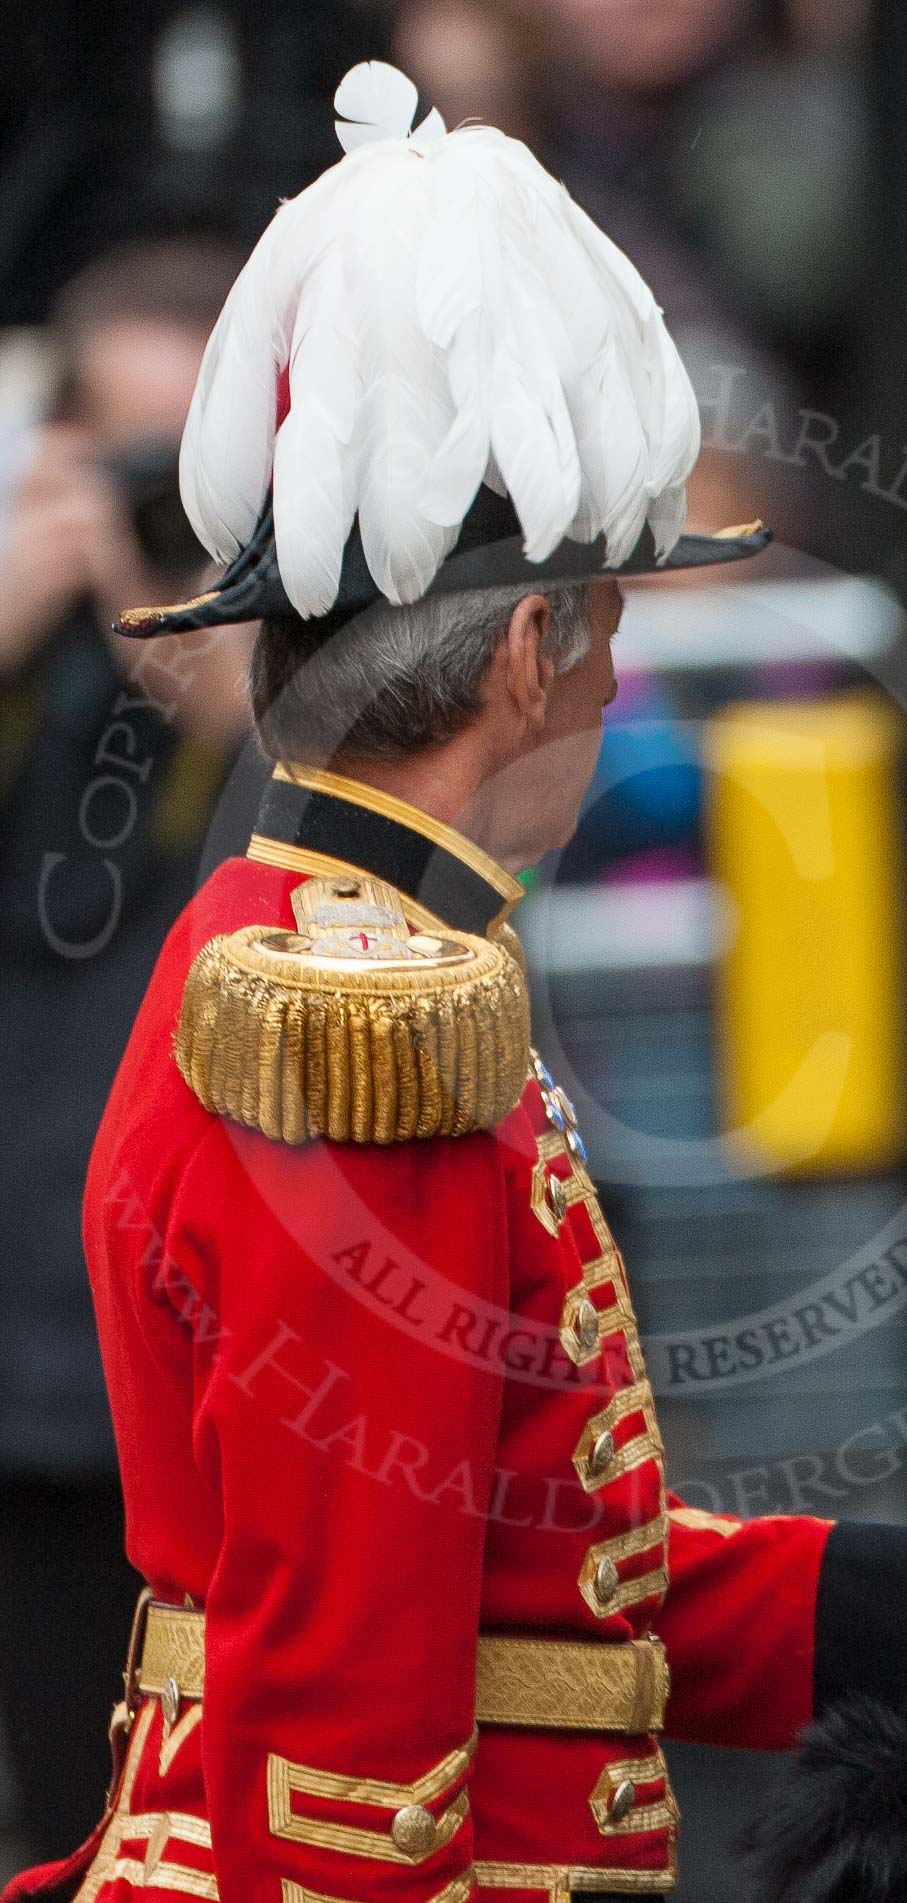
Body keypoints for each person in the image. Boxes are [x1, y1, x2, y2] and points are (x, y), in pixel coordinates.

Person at [3, 63, 907, 1903]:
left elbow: (540, 1572)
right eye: (609, 624)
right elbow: (351, 1747)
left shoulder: (343, 939)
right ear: (524, 650)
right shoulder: (365, 1025)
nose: (614, 675)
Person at [0, 235, 253, 1863]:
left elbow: (318, 819)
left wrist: (204, 647)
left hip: (215, 1363)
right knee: (67, 1811)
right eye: (126, 462)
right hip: (22, 1373)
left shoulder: (278, 653)